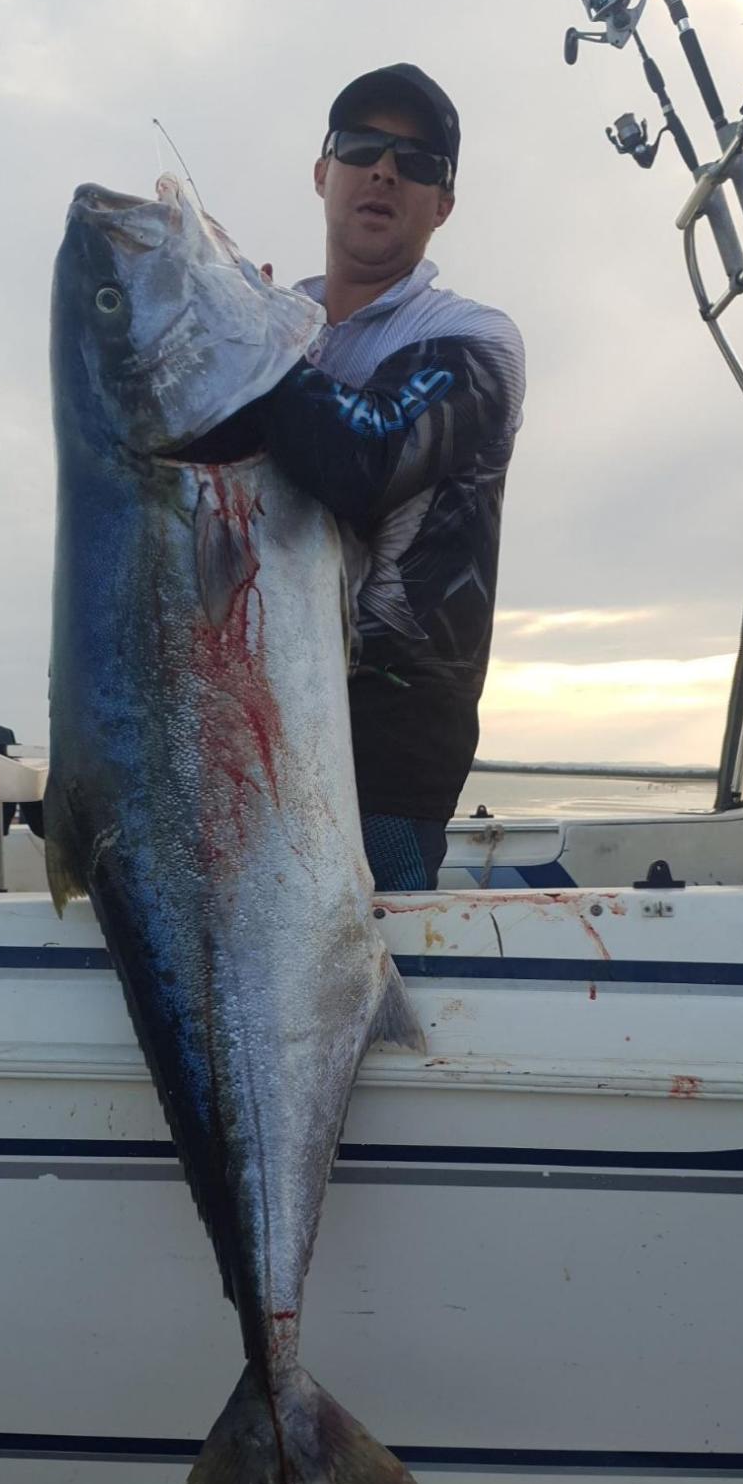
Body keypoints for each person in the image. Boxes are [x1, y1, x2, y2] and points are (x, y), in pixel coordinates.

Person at [260, 62, 526, 892]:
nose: (383, 170)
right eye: (361, 147)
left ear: (442, 204)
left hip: (381, 765)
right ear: (322, 172)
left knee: (368, 965)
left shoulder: (475, 340)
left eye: (415, 162)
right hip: (244, 723)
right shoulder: (277, 332)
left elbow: (367, 457)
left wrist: (237, 344)